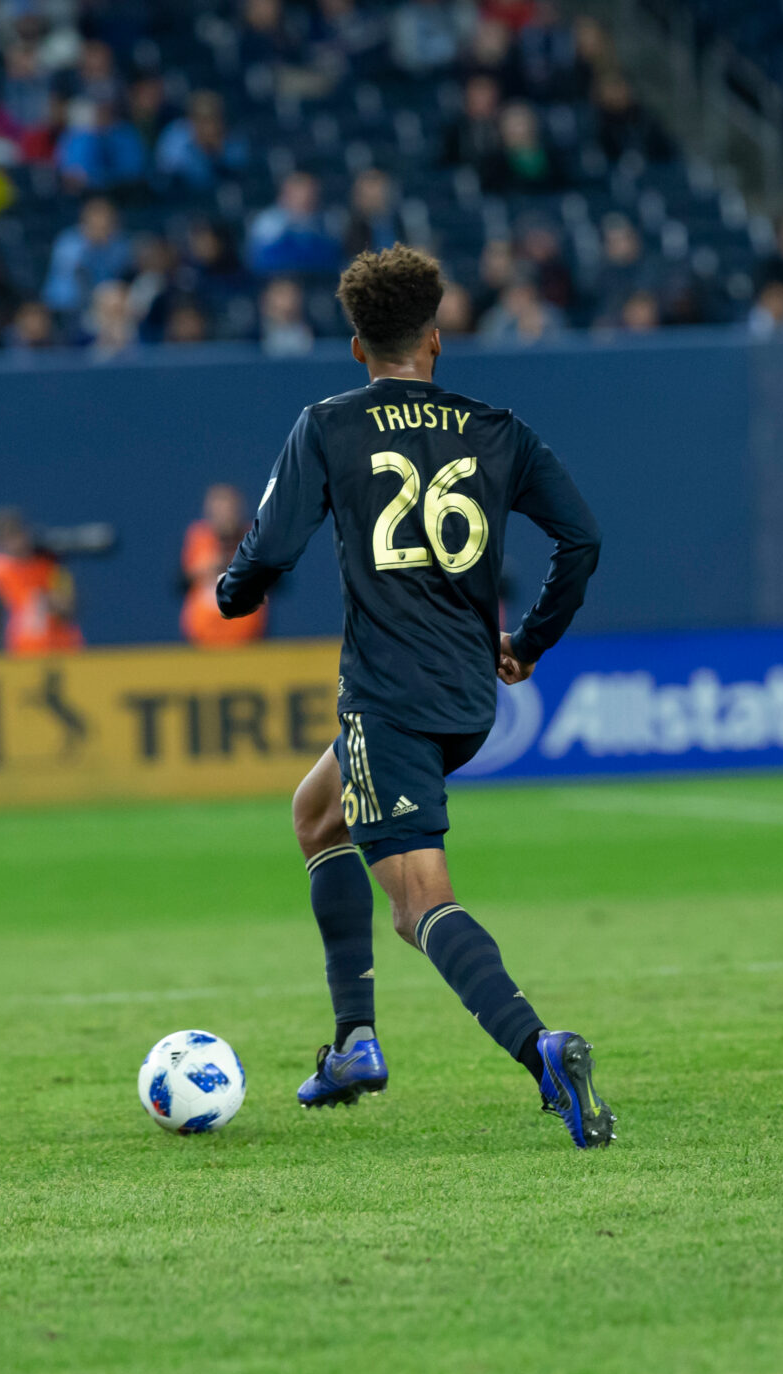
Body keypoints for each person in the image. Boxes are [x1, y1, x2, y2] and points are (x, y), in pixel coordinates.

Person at [215, 244, 613, 1148]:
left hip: (387, 696)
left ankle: (540, 1048)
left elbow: (270, 551)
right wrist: (531, 642)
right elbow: (581, 541)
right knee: (317, 816)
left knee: (418, 904)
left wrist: (233, 592)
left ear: (358, 348)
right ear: (437, 340)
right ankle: (355, 1039)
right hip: (469, 694)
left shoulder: (329, 423)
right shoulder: (498, 429)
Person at [0, 506, 83, 654]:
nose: (15, 541)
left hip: (62, 648)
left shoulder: (49, 564)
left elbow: (69, 606)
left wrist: (57, 604)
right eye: (6, 536)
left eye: (17, 533)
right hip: (19, 651)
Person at [180, 483, 265, 646]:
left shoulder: (252, 538)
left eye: (229, 508)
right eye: (218, 508)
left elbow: (277, 580)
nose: (224, 515)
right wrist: (203, 569)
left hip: (246, 636)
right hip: (202, 636)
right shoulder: (198, 537)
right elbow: (180, 582)